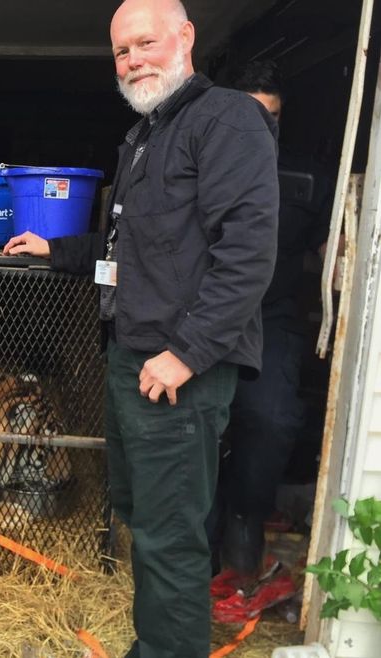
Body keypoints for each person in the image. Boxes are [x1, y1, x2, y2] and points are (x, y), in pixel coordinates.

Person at [3, 0, 279, 655]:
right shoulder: (148, 133)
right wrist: (60, 249)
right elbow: (135, 250)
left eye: (145, 43)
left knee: (170, 531)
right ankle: (155, 642)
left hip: (180, 370)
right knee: (141, 514)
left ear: (185, 38)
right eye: (122, 51)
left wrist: (186, 352)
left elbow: (249, 252)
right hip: (134, 361)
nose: (133, 60)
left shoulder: (227, 120)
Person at [210, 61, 332, 585]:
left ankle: (246, 515)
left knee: (275, 419)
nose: (265, 128)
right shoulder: (201, 165)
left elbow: (333, 254)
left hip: (271, 316)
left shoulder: (306, 177)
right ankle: (203, 526)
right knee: (202, 424)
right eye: (253, 116)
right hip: (206, 314)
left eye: (274, 117)